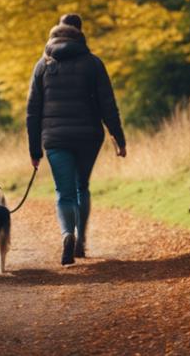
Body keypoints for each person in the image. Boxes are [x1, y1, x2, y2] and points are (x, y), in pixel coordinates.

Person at [26, 14, 126, 265]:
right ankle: (80, 240)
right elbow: (108, 104)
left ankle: (67, 233)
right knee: (82, 186)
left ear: (54, 36)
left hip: (55, 138)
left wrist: (34, 149)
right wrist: (118, 137)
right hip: (88, 136)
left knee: (64, 192)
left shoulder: (43, 65)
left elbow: (32, 110)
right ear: (79, 35)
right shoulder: (93, 63)